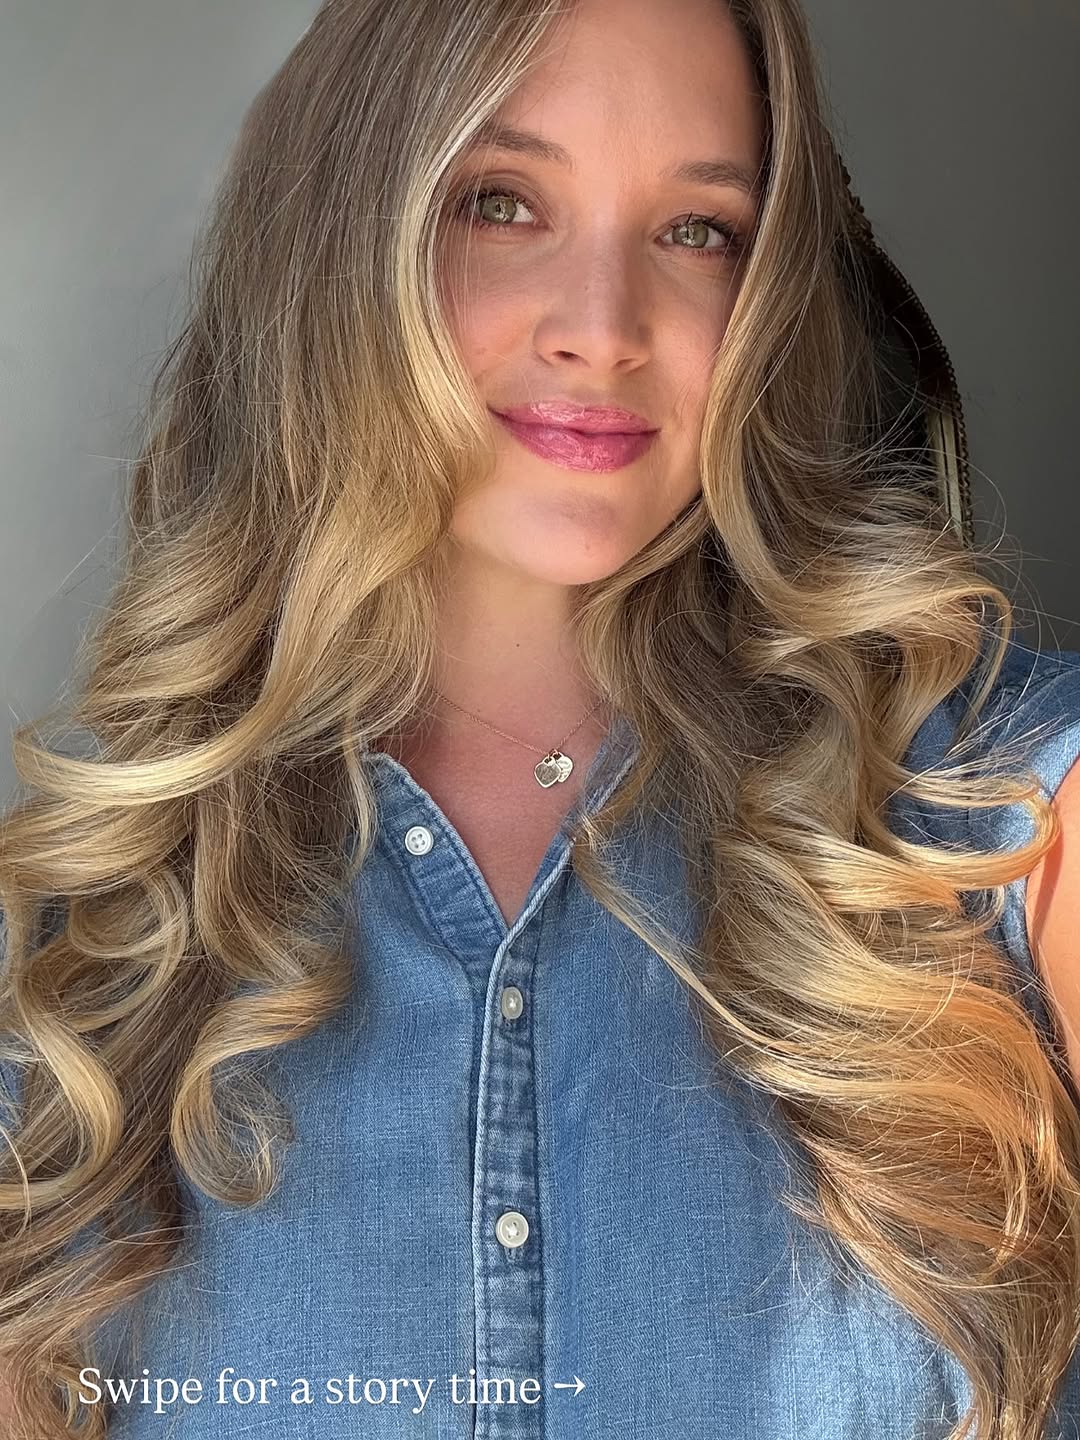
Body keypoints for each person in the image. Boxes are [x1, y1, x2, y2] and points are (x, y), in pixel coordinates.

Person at [2, 0, 1080, 1435]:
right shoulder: (87, 931)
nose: (605, 330)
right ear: (344, 238)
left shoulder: (998, 809)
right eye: (501, 203)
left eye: (697, 230)